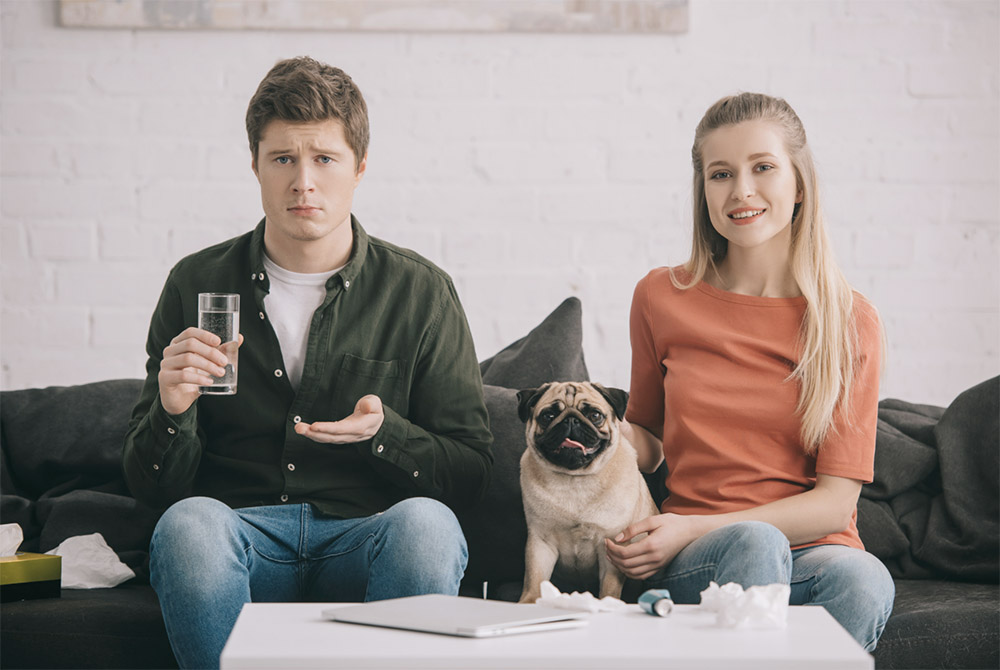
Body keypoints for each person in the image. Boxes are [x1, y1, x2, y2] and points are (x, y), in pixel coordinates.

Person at [123, 56, 493, 670]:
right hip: (239, 537)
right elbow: (150, 488)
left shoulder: (421, 292)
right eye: (282, 159)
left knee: (427, 526)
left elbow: (473, 474)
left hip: (364, 537)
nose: (303, 182)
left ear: (359, 167)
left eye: (324, 158)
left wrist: (387, 435)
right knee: (188, 525)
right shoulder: (196, 283)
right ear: (255, 166)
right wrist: (171, 410)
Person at [606, 92, 894, 652]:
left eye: (762, 167)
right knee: (754, 545)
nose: (741, 190)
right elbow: (651, 440)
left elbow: (836, 503)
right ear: (703, 191)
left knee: (863, 579)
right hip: (695, 555)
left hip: (808, 547)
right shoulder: (662, 295)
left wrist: (691, 525)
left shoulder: (849, 320)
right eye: (720, 174)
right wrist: (607, 435)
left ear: (799, 182)